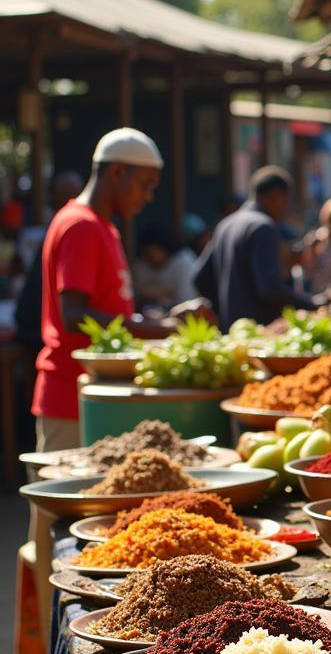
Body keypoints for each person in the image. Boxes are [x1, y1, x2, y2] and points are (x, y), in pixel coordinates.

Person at [31, 128, 164, 451]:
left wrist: (157, 322)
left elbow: (108, 309)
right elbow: (74, 315)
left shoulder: (104, 227)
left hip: (94, 396)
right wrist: (155, 330)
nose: (147, 197)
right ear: (117, 172)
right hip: (71, 398)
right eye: (144, 185)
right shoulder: (81, 225)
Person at [193, 166, 318, 327]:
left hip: (232, 330)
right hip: (260, 333)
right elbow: (269, 288)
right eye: (287, 200)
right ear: (276, 197)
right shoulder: (263, 227)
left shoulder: (226, 224)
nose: (287, 208)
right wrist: (312, 303)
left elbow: (200, 279)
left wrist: (226, 309)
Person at [14, 170, 84, 356]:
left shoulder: (79, 228)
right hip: (38, 330)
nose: (69, 201)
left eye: (74, 195)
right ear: (52, 197)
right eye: (64, 195)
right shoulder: (55, 232)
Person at [133, 224, 198, 310]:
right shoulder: (142, 264)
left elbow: (187, 300)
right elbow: (138, 293)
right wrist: (169, 290)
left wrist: (154, 292)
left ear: (163, 247)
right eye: (144, 253)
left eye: (150, 252)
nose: (147, 257)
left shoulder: (184, 260)